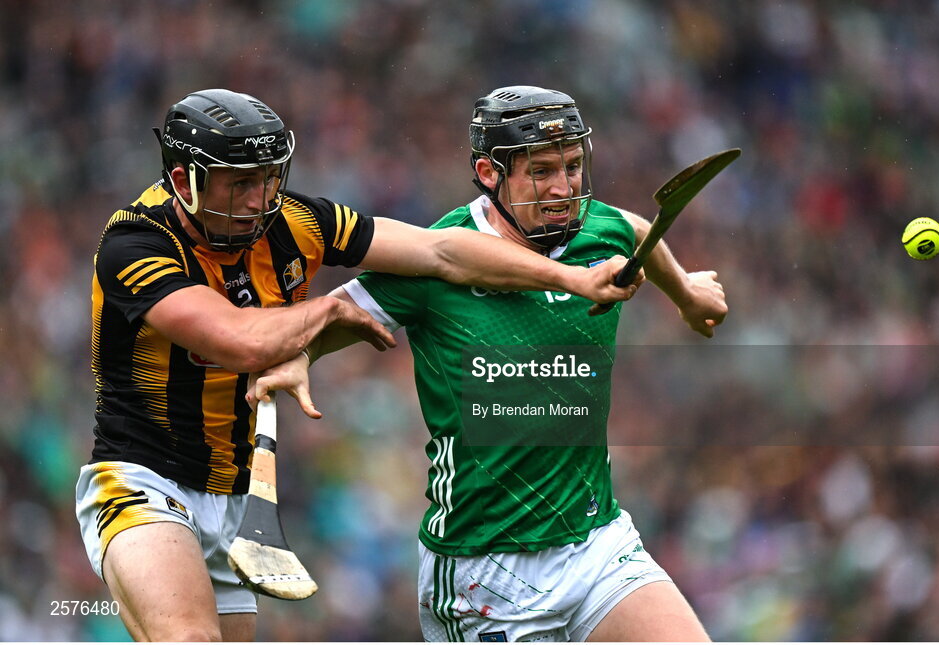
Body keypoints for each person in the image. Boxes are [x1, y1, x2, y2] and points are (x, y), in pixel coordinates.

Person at [74, 88, 638, 642]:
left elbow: (441, 251)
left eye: (270, 178)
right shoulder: (138, 245)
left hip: (236, 495)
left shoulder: (293, 221)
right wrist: (325, 310)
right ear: (184, 182)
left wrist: (569, 277)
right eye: (241, 183)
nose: (260, 199)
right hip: (142, 479)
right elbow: (239, 342)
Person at [251, 85, 727, 641]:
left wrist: (686, 292)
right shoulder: (439, 254)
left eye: (573, 166)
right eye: (541, 171)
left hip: (597, 543)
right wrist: (303, 353)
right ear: (488, 171)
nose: (563, 188)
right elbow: (333, 313)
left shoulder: (599, 231)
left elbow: (638, 227)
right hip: (485, 571)